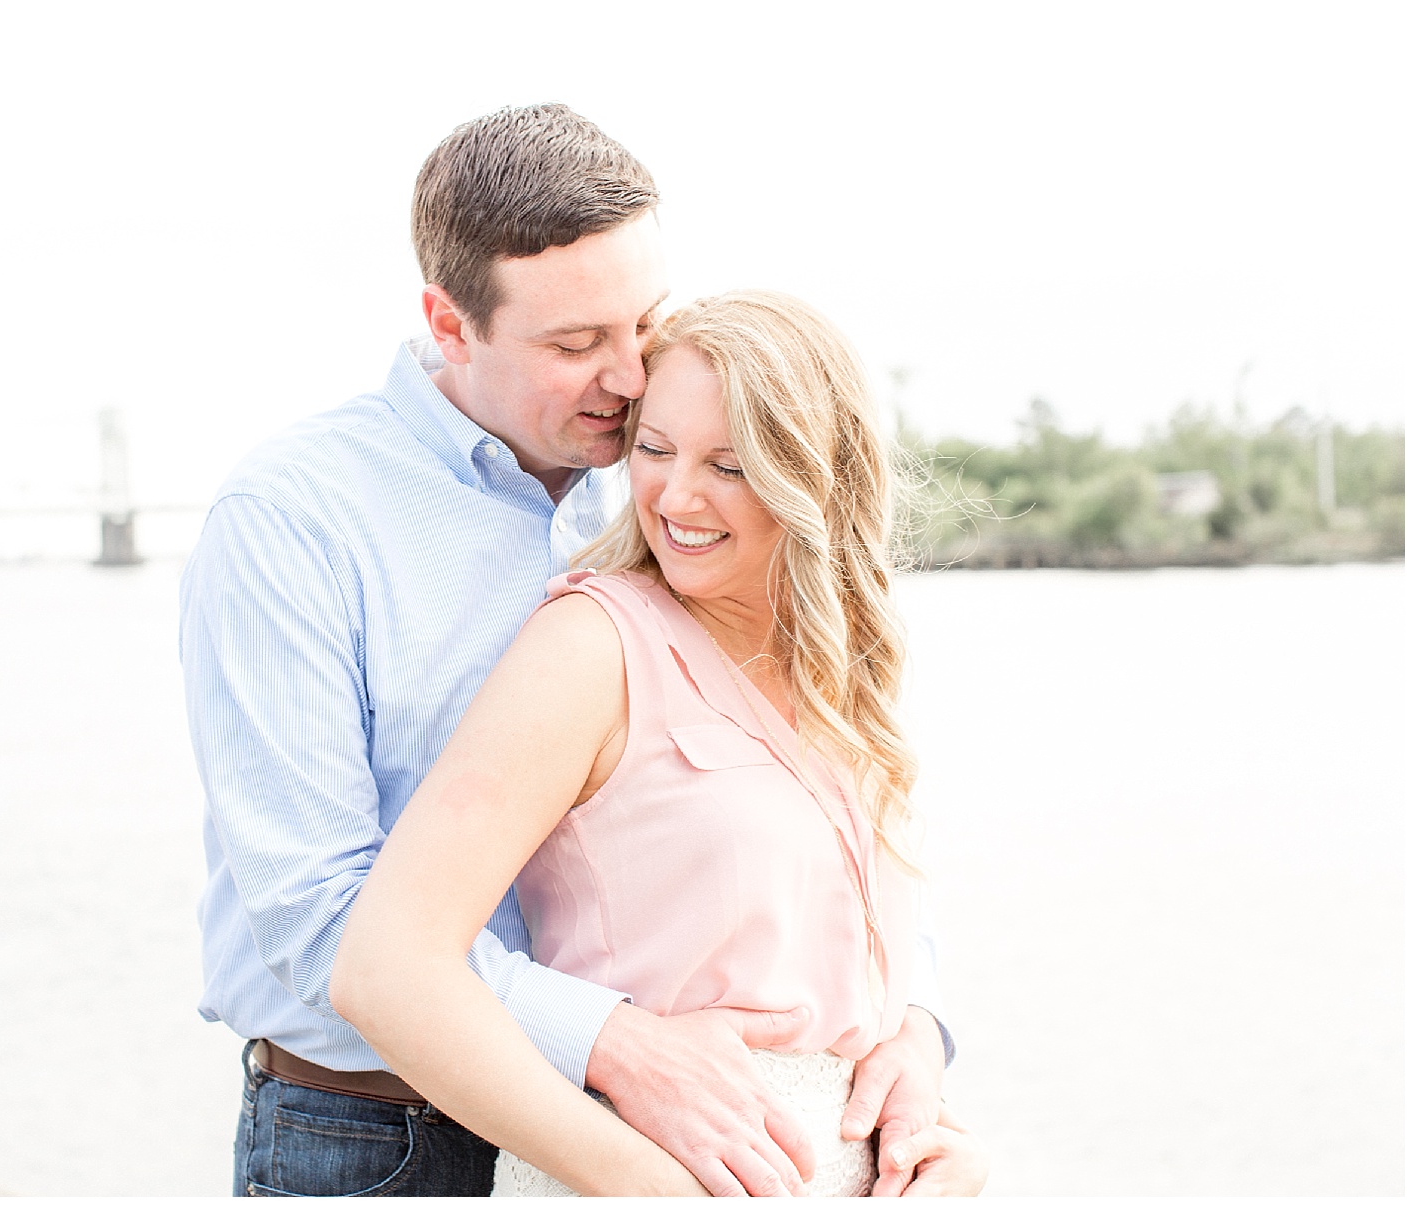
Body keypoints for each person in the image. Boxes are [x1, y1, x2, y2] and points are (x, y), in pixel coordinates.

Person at [180, 104, 955, 1197]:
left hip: (675, 1111)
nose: (632, 373)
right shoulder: (294, 518)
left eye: (643, 322)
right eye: (576, 344)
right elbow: (319, 914)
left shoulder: (664, 479)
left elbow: (815, 821)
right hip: (372, 1125)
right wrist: (610, 1039)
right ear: (449, 325)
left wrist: (912, 1030)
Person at [331, 290, 988, 1196]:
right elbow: (383, 968)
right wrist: (655, 1189)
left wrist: (919, 1060)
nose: (676, 496)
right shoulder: (594, 646)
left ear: (814, 477)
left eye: (730, 464)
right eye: (654, 448)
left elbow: (850, 955)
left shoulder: (844, 677)